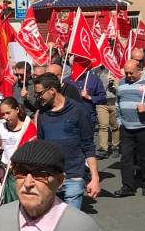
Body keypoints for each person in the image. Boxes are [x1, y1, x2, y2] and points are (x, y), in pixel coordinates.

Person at [32, 73, 101, 210]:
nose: (37, 97)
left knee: (70, 222)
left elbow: (88, 145)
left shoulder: (78, 110)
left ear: (52, 90)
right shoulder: (42, 114)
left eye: (39, 93)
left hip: (73, 175)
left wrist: (95, 178)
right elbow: (41, 144)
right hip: (50, 178)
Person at [113, 60, 145, 198]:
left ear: (139, 70)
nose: (128, 75)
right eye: (126, 72)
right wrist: (118, 120)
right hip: (127, 128)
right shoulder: (122, 83)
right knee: (126, 159)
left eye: (131, 73)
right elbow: (118, 103)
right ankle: (127, 186)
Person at [95, 65, 120, 159]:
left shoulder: (116, 68)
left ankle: (115, 147)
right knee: (103, 126)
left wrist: (114, 83)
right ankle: (103, 149)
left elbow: (121, 86)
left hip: (114, 102)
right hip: (102, 102)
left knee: (115, 126)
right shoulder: (97, 70)